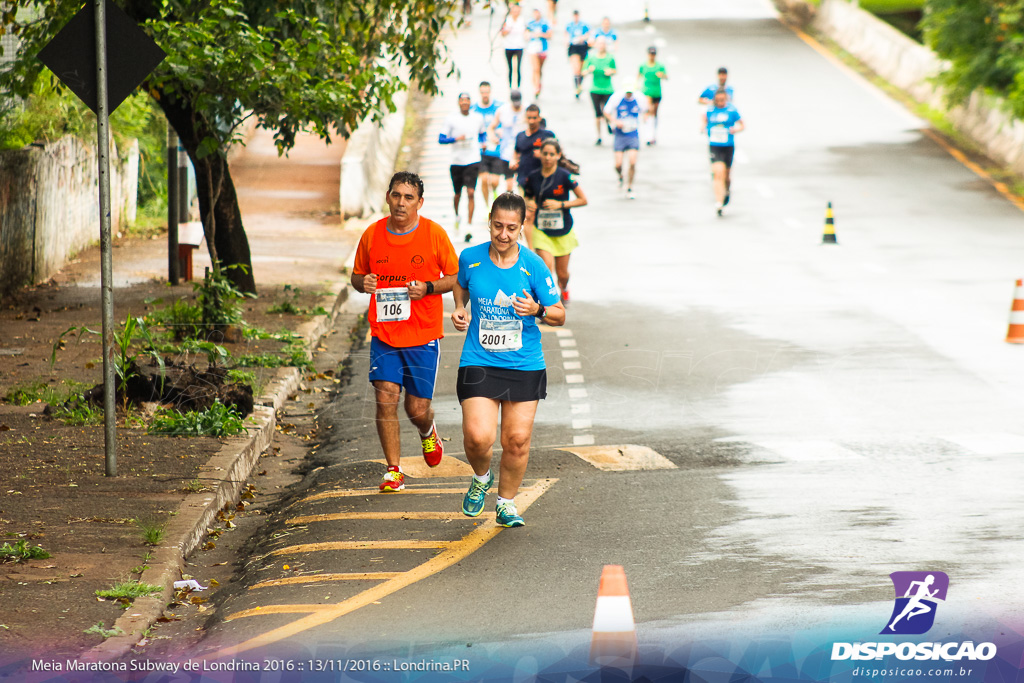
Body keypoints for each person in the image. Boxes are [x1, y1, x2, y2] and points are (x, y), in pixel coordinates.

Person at [451, 192, 566, 527]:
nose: (503, 234)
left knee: (515, 441)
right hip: (479, 359)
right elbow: (461, 286)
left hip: (524, 364)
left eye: (511, 228)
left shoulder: (533, 265)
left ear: (521, 227)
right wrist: (460, 309)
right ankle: (481, 477)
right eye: (498, 225)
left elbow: (559, 314)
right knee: (477, 437)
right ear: (489, 221)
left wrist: (538, 309)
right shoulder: (471, 258)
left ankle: (505, 503)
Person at [350, 172, 459, 493]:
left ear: (419, 203)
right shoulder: (372, 234)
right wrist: (364, 283)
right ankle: (393, 470)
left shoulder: (434, 234)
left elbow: (454, 277)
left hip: (423, 335)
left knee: (416, 409)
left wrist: (427, 287)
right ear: (388, 197)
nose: (401, 202)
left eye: (408, 197)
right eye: (396, 195)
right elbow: (357, 277)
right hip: (384, 334)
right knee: (385, 398)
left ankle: (428, 433)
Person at [522, 138, 588, 305]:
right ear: (540, 155)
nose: (548, 157)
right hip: (542, 230)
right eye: (545, 154)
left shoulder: (565, 176)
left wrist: (561, 204)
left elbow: (583, 199)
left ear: (558, 155)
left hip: (563, 230)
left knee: (562, 273)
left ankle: (564, 288)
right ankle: (547, 300)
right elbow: (527, 197)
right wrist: (530, 203)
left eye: (552, 154)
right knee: (546, 267)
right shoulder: (533, 177)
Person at [439, 92, 486, 238]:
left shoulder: (477, 118)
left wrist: (483, 143)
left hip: (473, 159)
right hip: (457, 160)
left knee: (471, 192)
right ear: (458, 102)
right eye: (462, 100)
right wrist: (455, 139)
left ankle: (469, 226)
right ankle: (457, 216)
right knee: (457, 193)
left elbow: (482, 133)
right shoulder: (451, 119)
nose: (465, 103)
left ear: (470, 103)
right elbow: (441, 139)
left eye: (467, 100)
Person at [510, 104, 555, 248]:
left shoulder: (547, 135)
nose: (531, 121)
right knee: (528, 216)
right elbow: (516, 153)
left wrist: (542, 155)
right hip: (524, 181)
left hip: (543, 182)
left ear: (539, 117)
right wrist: (514, 161)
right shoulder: (520, 136)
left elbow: (557, 154)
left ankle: (546, 245)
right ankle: (532, 250)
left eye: (534, 118)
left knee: (541, 214)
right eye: (529, 118)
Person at [703, 87, 744, 216]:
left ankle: (726, 190)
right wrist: (703, 128)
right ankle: (719, 202)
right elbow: (704, 122)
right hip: (714, 145)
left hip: (728, 145)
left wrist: (736, 130)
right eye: (718, 100)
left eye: (723, 100)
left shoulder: (732, 110)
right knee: (717, 172)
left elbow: (742, 124)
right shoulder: (710, 110)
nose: (720, 102)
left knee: (726, 174)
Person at [604, 84, 647, 199]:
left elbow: (646, 110)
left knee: (632, 162)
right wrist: (615, 121)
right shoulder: (616, 98)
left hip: (633, 134)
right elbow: (606, 112)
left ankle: (630, 186)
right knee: (618, 164)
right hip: (620, 134)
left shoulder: (640, 98)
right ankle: (621, 176)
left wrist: (645, 118)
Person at [487, 89, 526, 194]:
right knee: (509, 185)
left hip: (521, 152)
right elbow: (491, 127)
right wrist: (493, 137)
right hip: (506, 152)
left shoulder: (526, 111)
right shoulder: (503, 111)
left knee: (522, 183)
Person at [582, 36, 616, 145]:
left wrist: (610, 71)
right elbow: (583, 72)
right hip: (595, 89)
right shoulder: (591, 58)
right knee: (597, 114)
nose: (601, 46)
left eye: (603, 44)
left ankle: (608, 124)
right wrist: (589, 70)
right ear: (596, 45)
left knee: (607, 111)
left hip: (607, 89)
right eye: (599, 44)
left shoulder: (610, 58)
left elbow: (615, 70)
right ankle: (599, 136)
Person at [473, 81, 503, 204]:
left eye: (487, 92)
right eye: (482, 92)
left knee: (495, 181)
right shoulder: (474, 109)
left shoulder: (499, 107)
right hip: (482, 151)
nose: (485, 94)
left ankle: (495, 194)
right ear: (480, 93)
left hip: (496, 150)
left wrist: (500, 133)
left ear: (490, 92)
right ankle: (487, 206)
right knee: (484, 180)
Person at [638, 46, 667, 145]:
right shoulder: (643, 65)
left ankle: (653, 134)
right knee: (649, 110)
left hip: (657, 92)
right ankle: (648, 136)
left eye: (653, 54)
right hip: (647, 91)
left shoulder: (659, 66)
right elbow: (638, 76)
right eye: (650, 54)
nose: (652, 56)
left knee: (654, 113)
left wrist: (661, 75)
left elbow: (666, 76)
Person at [525, 8, 552, 98]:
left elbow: (550, 35)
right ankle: (535, 87)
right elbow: (525, 34)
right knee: (535, 68)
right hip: (532, 47)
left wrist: (540, 34)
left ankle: (538, 83)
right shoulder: (530, 23)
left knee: (539, 69)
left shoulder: (545, 23)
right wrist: (529, 36)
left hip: (542, 48)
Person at [501, 3, 527, 89]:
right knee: (510, 68)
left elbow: (526, 32)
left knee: (518, 67)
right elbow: (503, 33)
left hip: (519, 46)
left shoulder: (522, 20)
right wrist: (508, 29)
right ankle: (510, 86)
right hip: (508, 46)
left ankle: (518, 86)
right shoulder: (507, 20)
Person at [565, 10, 590, 98]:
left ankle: (580, 84)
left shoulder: (584, 25)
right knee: (576, 69)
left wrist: (582, 38)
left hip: (582, 47)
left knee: (582, 70)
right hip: (573, 47)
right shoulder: (569, 25)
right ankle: (577, 87)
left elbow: (588, 35)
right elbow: (566, 35)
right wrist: (567, 42)